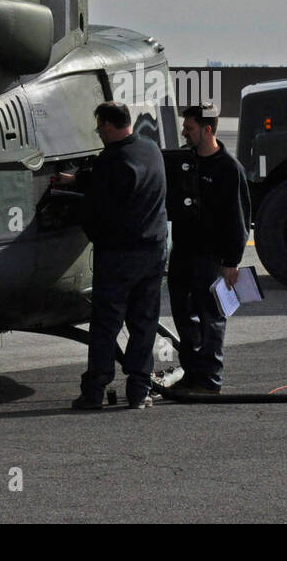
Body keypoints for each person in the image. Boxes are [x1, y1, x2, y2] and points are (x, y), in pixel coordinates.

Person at [69, 101, 168, 411]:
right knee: (144, 323)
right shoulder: (150, 149)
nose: (98, 132)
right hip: (153, 252)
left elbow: (95, 208)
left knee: (105, 325)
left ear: (110, 126)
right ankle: (139, 391)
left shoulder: (110, 160)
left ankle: (95, 390)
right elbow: (128, 180)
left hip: (118, 257)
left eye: (100, 127)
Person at [164, 103, 251, 394]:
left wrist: (232, 261)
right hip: (183, 254)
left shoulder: (228, 168)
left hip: (212, 258)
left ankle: (210, 380)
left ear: (207, 129)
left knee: (211, 319)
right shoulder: (183, 163)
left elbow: (239, 219)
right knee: (183, 316)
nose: (184, 133)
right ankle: (192, 375)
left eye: (189, 128)